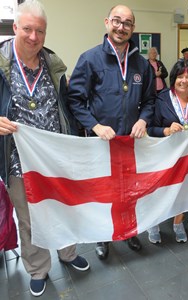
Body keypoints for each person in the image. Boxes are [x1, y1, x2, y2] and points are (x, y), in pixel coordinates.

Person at [0, 0, 90, 297]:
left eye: (40, 30)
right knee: (28, 219)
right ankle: (38, 268)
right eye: (27, 29)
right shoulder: (1, 65)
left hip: (55, 159)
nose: (33, 37)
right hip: (17, 161)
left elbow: (67, 107)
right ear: (15, 28)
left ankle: (68, 253)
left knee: (64, 209)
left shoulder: (53, 65)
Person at [68, 5, 155, 260]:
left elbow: (150, 100)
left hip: (130, 143)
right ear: (107, 22)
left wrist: (143, 120)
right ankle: (104, 237)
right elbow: (75, 100)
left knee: (129, 192)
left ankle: (128, 232)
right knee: (103, 194)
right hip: (101, 144)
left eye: (127, 23)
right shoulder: (89, 59)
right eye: (117, 21)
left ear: (133, 28)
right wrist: (94, 125)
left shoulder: (141, 64)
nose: (121, 27)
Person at [147, 60, 188, 244]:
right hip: (164, 155)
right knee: (159, 190)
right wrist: (166, 130)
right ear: (173, 79)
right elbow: (150, 128)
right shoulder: (162, 99)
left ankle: (178, 223)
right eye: (180, 76)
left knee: (184, 187)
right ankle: (154, 223)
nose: (184, 80)